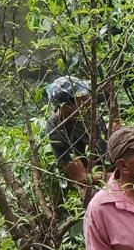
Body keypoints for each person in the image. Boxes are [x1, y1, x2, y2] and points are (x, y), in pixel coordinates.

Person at [45, 75, 117, 203]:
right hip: (97, 180)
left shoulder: (88, 101)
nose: (88, 99)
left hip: (112, 157)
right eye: (82, 98)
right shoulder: (56, 129)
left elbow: (109, 90)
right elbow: (81, 177)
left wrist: (116, 121)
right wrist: (116, 176)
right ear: (67, 106)